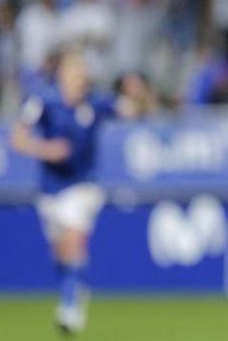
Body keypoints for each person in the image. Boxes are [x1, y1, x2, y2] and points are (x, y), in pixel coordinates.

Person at [10, 51, 150, 333]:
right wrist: (46, 149)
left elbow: (134, 112)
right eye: (74, 73)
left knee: (74, 239)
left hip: (84, 185)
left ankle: (70, 306)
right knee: (61, 252)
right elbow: (17, 138)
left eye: (83, 73)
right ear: (62, 75)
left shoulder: (96, 103)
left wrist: (139, 95)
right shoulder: (43, 101)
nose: (80, 79)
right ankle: (74, 287)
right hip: (50, 190)